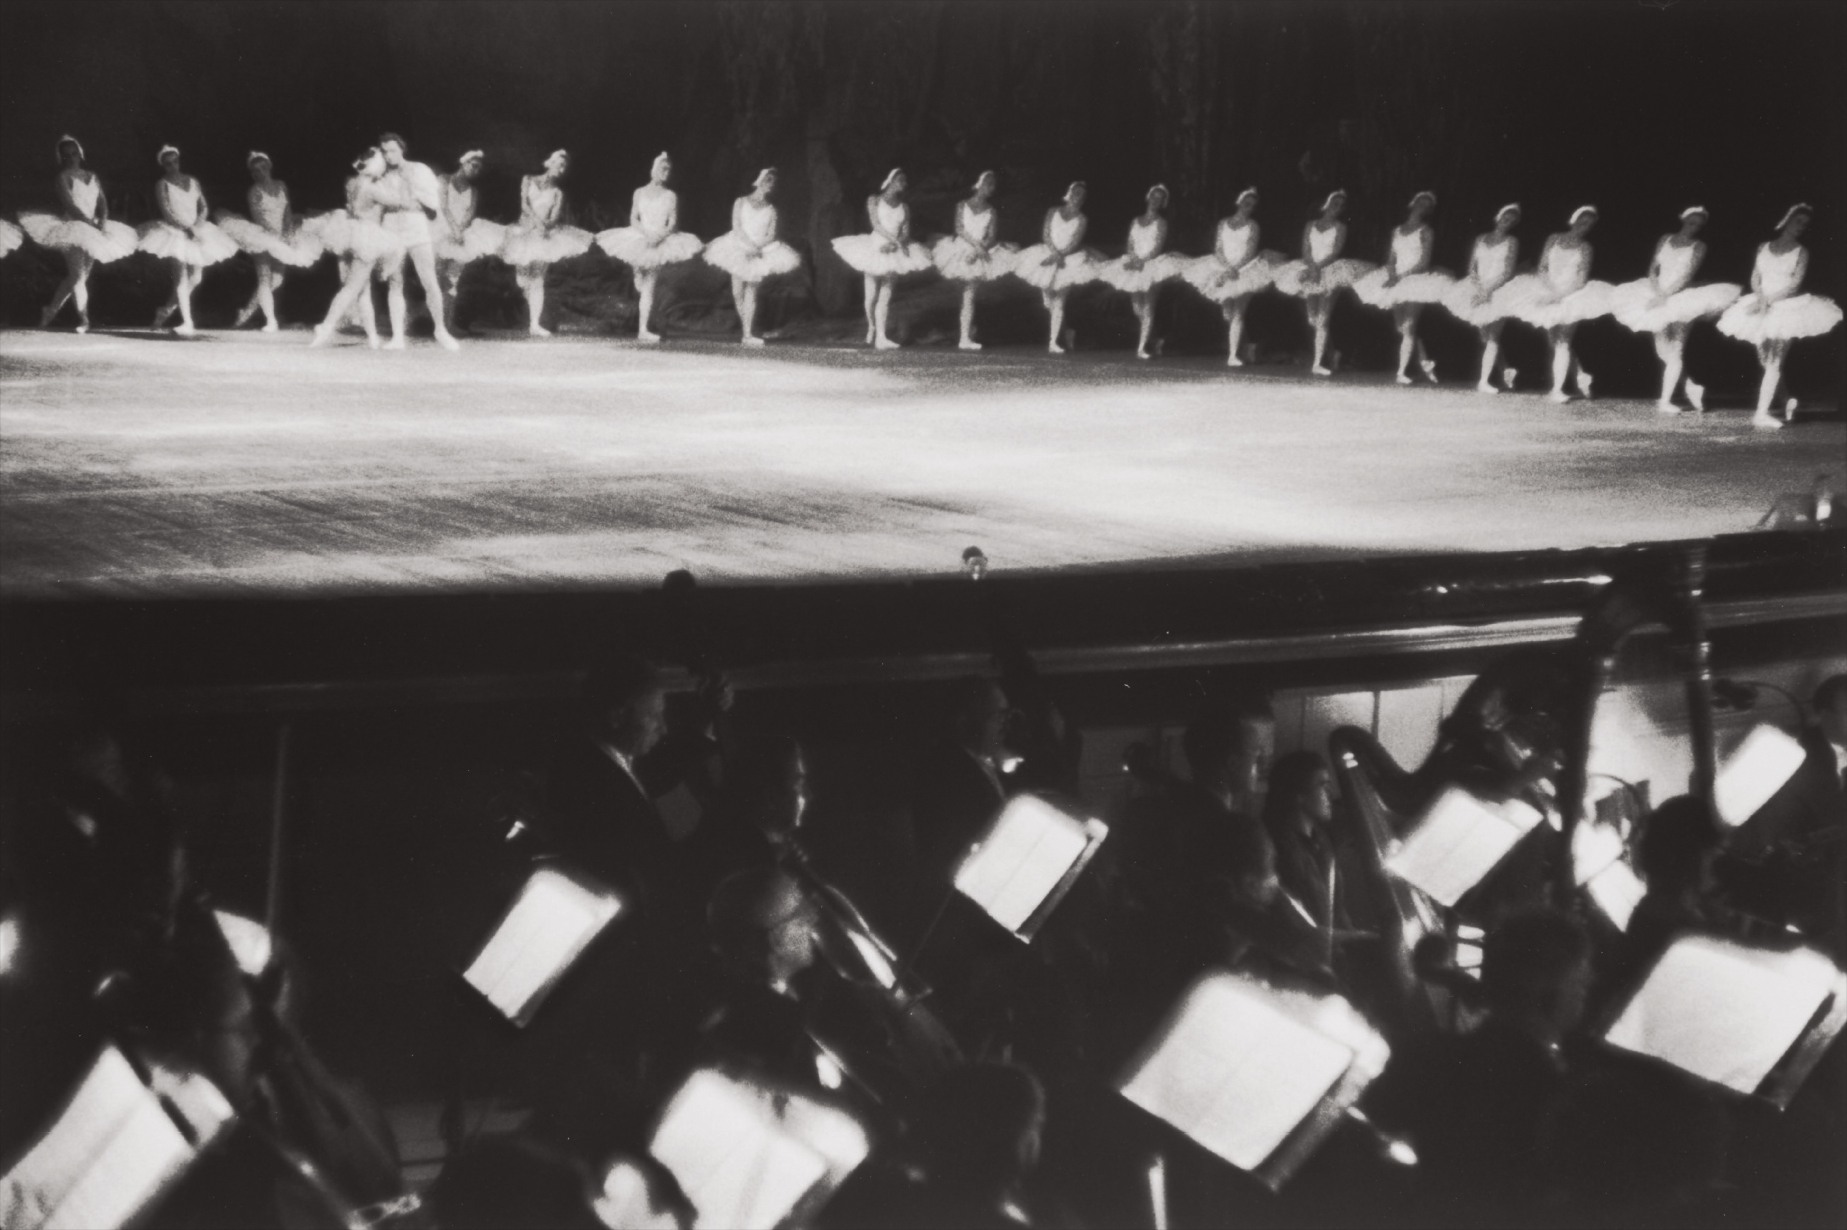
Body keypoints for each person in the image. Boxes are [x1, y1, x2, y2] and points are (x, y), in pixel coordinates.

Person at [1364, 908, 1593, 1221]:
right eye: (1579, 984)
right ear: (1546, 996)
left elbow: (1379, 1111)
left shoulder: (1425, 1054)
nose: (1586, 992)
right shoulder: (1558, 1095)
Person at [1716, 204, 1843, 429]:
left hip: (1786, 308)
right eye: (1798, 221)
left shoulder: (1801, 251)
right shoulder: (1763, 247)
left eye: (1805, 224)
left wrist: (1767, 301)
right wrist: (1760, 298)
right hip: (1760, 303)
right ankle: (1786, 400)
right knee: (1765, 361)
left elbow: (1795, 284)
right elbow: (1755, 277)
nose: (1801, 227)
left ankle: (1761, 413)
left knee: (1774, 362)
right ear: (1786, 220)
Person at [1609, 207, 1743, 414]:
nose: (1694, 227)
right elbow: (1653, 268)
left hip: (1681, 296)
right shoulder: (1665, 238)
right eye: (1691, 223)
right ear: (1683, 220)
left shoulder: (1699, 246)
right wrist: (1656, 290)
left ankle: (1665, 400)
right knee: (1663, 351)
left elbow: (1686, 276)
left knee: (1677, 349)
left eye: (1699, 225)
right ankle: (1691, 386)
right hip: (1655, 291)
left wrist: (1665, 295)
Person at [1494, 206, 1615, 403]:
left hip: (1571, 294)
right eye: (1582, 221)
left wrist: (1559, 295)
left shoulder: (1586, 247)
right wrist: (1549, 290)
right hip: (1546, 288)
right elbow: (1542, 267)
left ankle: (1557, 389)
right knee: (1554, 341)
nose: (1585, 226)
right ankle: (1581, 376)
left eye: (1589, 224)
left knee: (1563, 341)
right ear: (1573, 220)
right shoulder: (1554, 238)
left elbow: (1581, 279)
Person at [19, 136, 139, 333]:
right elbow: (71, 206)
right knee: (77, 276)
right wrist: (90, 223)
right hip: (73, 227)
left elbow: (102, 202)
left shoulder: (92, 176)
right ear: (62, 158)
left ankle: (49, 310)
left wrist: (104, 221)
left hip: (92, 227)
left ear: (80, 154)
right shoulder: (62, 177)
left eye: (74, 153)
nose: (71, 158)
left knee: (80, 277)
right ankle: (84, 319)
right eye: (66, 156)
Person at [595, 152, 705, 343]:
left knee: (649, 286)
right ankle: (637, 269)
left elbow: (672, 222)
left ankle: (643, 329)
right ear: (654, 169)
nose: (666, 173)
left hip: (660, 240)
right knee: (641, 282)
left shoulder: (671, 195)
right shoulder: (639, 192)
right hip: (640, 236)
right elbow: (633, 218)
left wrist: (659, 236)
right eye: (663, 168)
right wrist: (646, 234)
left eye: (668, 170)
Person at [303, 147, 402, 348]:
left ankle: (373, 337)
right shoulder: (374, 188)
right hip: (366, 236)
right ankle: (326, 326)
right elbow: (397, 202)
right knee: (353, 287)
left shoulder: (352, 182)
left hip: (349, 232)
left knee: (363, 290)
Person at [1353, 191, 1455, 384]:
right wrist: (1392, 275)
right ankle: (1425, 360)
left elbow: (1424, 262)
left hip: (1415, 279)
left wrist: (1400, 277)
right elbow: (1391, 259)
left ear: (1429, 211)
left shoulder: (1426, 231)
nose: (1422, 207)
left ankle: (1401, 372)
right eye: (1420, 203)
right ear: (1412, 203)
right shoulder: (1397, 230)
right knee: (1401, 328)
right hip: (1395, 278)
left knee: (1408, 326)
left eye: (1427, 205)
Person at [215, 151, 324, 332]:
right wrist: (273, 237)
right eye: (255, 170)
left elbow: (288, 212)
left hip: (281, 234)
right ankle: (270, 321)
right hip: (263, 236)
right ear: (252, 173)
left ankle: (247, 311)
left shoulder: (281, 186)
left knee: (278, 280)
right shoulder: (254, 191)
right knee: (264, 279)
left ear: (269, 167)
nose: (260, 172)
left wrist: (287, 234)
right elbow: (258, 217)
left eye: (263, 168)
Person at [1272, 190, 1377, 377]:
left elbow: (1335, 252)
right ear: (1326, 204)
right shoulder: (1310, 225)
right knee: (1312, 320)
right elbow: (1305, 249)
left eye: (1341, 205)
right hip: (1309, 266)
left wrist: (1318, 268)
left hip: (1331, 270)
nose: (1338, 208)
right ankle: (1333, 352)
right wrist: (1311, 267)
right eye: (1335, 203)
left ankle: (1318, 362)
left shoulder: (1341, 227)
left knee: (1323, 319)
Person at [136, 145, 239, 336]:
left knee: (196, 277)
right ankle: (187, 322)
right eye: (168, 164)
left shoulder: (192, 181)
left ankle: (166, 309)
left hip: (196, 228)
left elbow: (204, 206)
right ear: (163, 166)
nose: (172, 166)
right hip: (174, 232)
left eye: (175, 161)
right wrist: (187, 228)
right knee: (180, 277)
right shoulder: (162, 184)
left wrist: (197, 225)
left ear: (179, 161)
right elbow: (167, 213)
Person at [374, 132, 461, 351]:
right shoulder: (379, 174)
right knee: (395, 281)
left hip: (415, 225)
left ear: (402, 149)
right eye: (384, 151)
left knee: (429, 279)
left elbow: (432, 204)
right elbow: (358, 171)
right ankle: (397, 337)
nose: (389, 155)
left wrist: (410, 183)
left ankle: (440, 330)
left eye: (392, 150)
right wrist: (371, 158)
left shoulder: (419, 169)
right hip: (391, 226)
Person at [831, 168, 935, 350]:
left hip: (895, 251)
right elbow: (876, 225)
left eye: (905, 181)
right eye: (900, 180)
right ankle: (871, 326)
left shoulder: (904, 207)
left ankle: (881, 336)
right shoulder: (874, 199)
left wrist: (896, 244)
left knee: (885, 296)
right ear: (891, 181)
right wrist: (891, 241)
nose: (904, 184)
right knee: (870, 298)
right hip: (875, 247)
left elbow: (906, 232)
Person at [497, 149, 594, 338]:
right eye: (560, 165)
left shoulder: (558, 192)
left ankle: (535, 324)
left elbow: (555, 216)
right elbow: (524, 205)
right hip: (525, 231)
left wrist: (546, 226)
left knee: (538, 279)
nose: (562, 169)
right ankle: (528, 298)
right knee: (523, 280)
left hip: (544, 236)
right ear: (549, 164)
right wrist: (537, 222)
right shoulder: (528, 179)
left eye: (565, 167)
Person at [1182, 187, 1283, 367]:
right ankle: (1248, 346)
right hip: (1223, 266)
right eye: (1246, 203)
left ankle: (1233, 355)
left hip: (1246, 269)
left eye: (1252, 205)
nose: (1248, 207)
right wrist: (1227, 268)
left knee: (1238, 313)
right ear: (1238, 202)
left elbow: (1250, 251)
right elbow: (1218, 249)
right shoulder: (1223, 223)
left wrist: (1236, 268)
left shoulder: (1253, 225)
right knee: (1228, 314)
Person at [702, 168, 802, 346]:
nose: (770, 186)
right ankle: (746, 329)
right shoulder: (740, 202)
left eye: (772, 183)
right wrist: (748, 246)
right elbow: (737, 226)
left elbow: (771, 234)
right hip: (739, 246)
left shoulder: (771, 210)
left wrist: (758, 247)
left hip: (760, 250)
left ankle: (747, 333)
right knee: (737, 292)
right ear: (760, 181)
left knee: (751, 292)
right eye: (768, 182)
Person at [1441, 203, 1525, 393]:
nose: (1508, 222)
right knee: (1484, 335)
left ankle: (1484, 381)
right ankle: (1506, 369)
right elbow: (1472, 267)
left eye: (1512, 220)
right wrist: (1477, 288)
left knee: (1493, 335)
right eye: (1506, 218)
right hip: (1476, 286)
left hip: (1499, 288)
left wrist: (1488, 291)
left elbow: (1508, 271)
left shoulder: (1512, 241)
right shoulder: (1481, 238)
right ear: (1498, 217)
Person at [931, 170, 1017, 351]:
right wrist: (975, 247)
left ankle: (964, 337)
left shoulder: (992, 211)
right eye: (987, 184)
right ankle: (964, 332)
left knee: (969, 293)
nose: (990, 189)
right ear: (979, 184)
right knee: (963, 293)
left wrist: (979, 251)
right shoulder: (962, 204)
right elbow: (959, 228)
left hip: (980, 252)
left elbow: (992, 236)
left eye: (992, 186)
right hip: (960, 249)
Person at [1100, 184, 1188, 360]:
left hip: (1151, 265)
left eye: (1160, 198)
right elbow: (1130, 243)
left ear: (1163, 203)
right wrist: (1133, 259)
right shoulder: (1135, 220)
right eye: (1154, 197)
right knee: (1136, 308)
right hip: (1134, 262)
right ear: (1148, 197)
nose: (1156, 200)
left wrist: (1142, 261)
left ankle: (1142, 347)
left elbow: (1157, 246)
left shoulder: (1161, 223)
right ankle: (1154, 339)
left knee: (1148, 307)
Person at [1013, 182, 1101, 355]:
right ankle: (1066, 331)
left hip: (1069, 260)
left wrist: (1060, 255)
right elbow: (1046, 234)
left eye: (1082, 195)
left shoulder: (1082, 219)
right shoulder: (1053, 211)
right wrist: (1054, 253)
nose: (1078, 197)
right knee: (1048, 302)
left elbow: (1075, 241)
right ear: (1069, 193)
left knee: (1059, 301)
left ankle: (1053, 342)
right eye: (1076, 193)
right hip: (1047, 253)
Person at [433, 150, 507, 336]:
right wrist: (454, 229)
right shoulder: (444, 179)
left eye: (479, 168)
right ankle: (436, 325)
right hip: (440, 232)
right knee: (436, 277)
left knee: (452, 280)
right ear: (463, 163)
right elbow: (442, 206)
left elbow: (469, 213)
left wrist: (460, 230)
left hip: (461, 236)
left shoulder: (473, 191)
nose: (476, 170)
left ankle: (447, 325)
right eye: (473, 165)